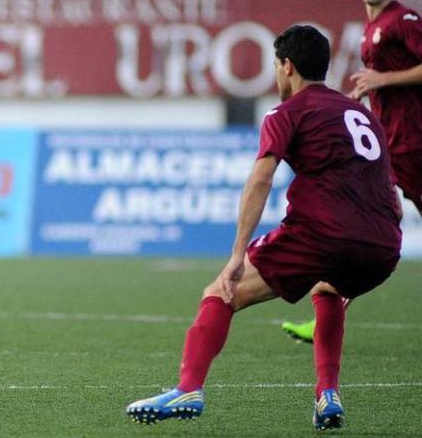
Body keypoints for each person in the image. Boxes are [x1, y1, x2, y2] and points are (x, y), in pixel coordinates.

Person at [125, 25, 402, 430]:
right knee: (328, 287)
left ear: (287, 66)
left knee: (223, 291)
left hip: (323, 234)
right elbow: (391, 192)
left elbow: (260, 178)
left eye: (276, 66)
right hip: (384, 246)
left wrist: (237, 255)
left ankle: (188, 388)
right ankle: (327, 395)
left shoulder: (285, 113)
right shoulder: (361, 113)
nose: (275, 76)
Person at [282, 0, 422, 344]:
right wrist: (367, 91)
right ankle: (328, 303)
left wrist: (381, 80)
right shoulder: (373, 27)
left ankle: (329, 301)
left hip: (413, 145)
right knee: (359, 222)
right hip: (389, 144)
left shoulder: (404, 20)